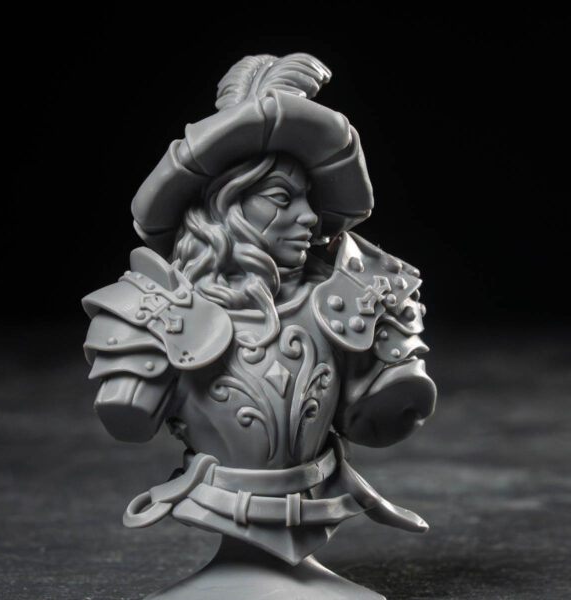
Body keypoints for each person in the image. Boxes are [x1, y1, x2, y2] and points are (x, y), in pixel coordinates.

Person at [82, 52, 437, 587]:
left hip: (318, 503)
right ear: (227, 205)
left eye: (309, 199)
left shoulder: (351, 297)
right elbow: (126, 413)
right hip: (216, 505)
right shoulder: (153, 311)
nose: (310, 216)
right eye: (281, 197)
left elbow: (387, 413)